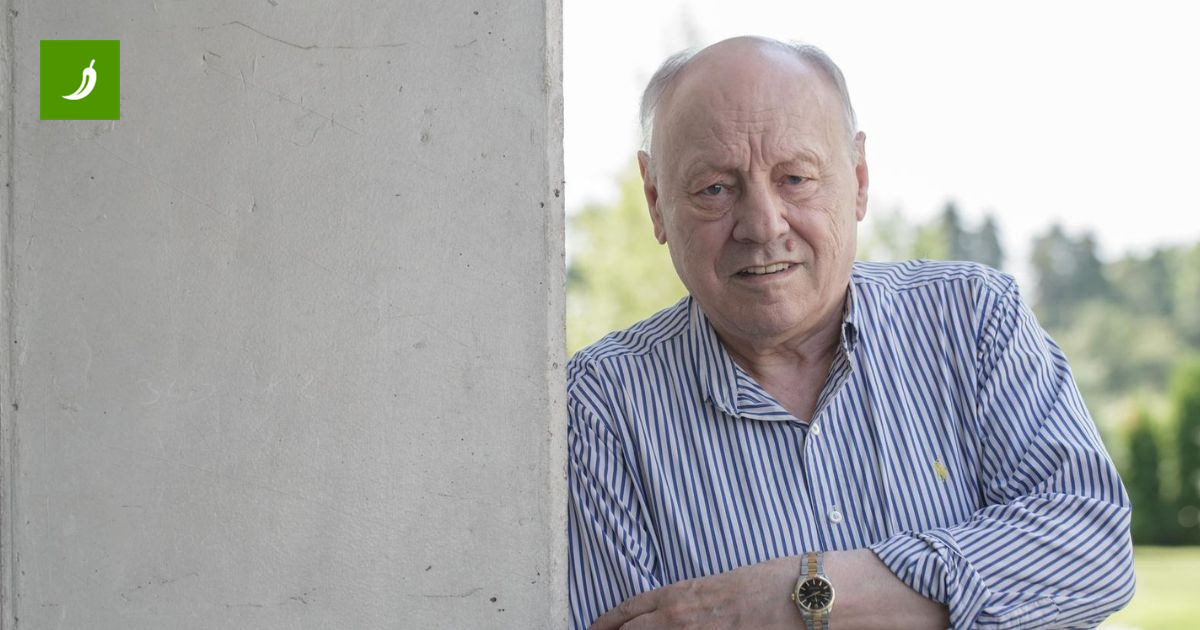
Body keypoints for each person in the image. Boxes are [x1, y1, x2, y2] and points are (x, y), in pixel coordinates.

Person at [567, 36, 1135, 629]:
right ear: (656, 201)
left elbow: (1093, 554)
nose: (763, 225)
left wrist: (794, 599)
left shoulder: (971, 319)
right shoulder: (598, 406)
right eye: (715, 188)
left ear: (859, 180)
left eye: (795, 178)